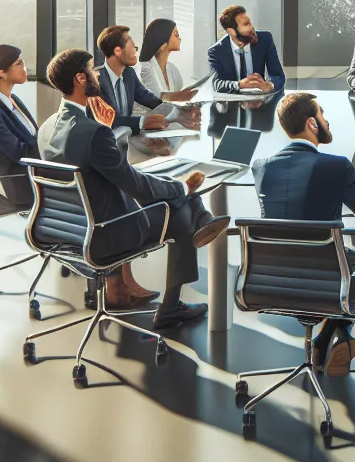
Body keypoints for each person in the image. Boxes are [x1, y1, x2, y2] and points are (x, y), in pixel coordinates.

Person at [36, 48, 230, 326]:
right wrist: (182, 189)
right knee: (181, 209)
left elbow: (96, 167)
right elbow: (136, 186)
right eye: (92, 70)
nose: (97, 75)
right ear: (80, 79)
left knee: (171, 192)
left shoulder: (47, 127)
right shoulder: (94, 133)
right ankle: (172, 307)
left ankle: (201, 216)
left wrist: (102, 127)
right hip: (106, 231)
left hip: (64, 226)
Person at [252, 91, 355, 375]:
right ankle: (329, 337)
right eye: (323, 115)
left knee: (342, 263)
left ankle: (329, 340)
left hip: (272, 278)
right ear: (312, 124)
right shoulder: (336, 166)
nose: (327, 121)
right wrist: (353, 187)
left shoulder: (260, 167)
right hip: (323, 281)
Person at [0, 44, 38, 208]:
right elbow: (19, 153)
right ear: (2, 73)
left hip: (37, 171)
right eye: (18, 64)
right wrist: (51, 148)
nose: (24, 68)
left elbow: (34, 136)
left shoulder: (14, 99)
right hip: (24, 183)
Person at [95, 25, 171, 136]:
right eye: (133, 48)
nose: (136, 52)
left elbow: (149, 99)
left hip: (125, 139)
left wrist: (177, 109)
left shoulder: (129, 74)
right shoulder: (95, 80)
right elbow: (108, 119)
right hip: (102, 143)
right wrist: (143, 121)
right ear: (117, 51)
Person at [208, 5, 286, 94]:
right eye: (246, 24)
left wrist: (269, 86)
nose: (251, 28)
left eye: (250, 23)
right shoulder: (216, 51)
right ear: (231, 31)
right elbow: (217, 83)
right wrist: (239, 85)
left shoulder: (265, 39)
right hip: (231, 103)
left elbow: (278, 75)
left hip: (260, 100)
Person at [137, 18, 199, 102]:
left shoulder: (172, 69)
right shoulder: (145, 69)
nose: (180, 39)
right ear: (163, 41)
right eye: (176, 34)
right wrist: (179, 96)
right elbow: (155, 96)